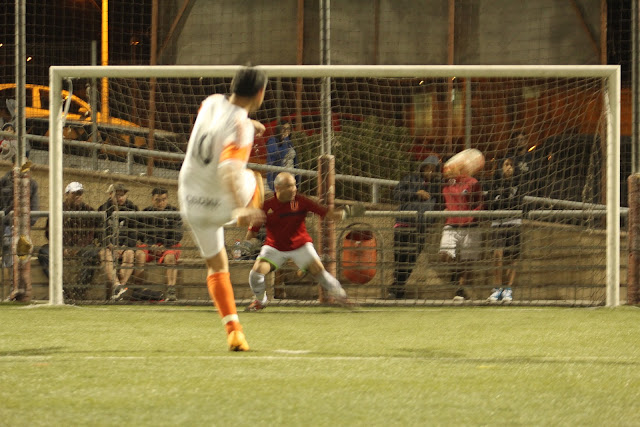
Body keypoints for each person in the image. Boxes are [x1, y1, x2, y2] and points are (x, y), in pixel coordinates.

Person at [178, 66, 268, 352]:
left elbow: (217, 127)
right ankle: (251, 221)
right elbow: (228, 168)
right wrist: (241, 208)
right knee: (255, 177)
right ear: (260, 93)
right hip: (223, 202)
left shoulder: (210, 102)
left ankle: (234, 331)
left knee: (216, 265)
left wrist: (248, 122)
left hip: (190, 200)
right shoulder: (241, 128)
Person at [244, 172, 356, 311]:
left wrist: (346, 213)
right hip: (274, 247)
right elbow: (252, 232)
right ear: (277, 188)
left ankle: (343, 298)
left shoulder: (302, 201)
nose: (294, 189)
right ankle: (260, 301)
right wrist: (246, 244)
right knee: (255, 274)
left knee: (320, 272)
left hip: (301, 245)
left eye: (294, 185)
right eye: (289, 186)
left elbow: (328, 214)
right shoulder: (266, 206)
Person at [389, 155, 442, 299]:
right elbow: (396, 194)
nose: (429, 172)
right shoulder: (410, 179)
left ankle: (397, 287)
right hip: (403, 223)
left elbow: (441, 203)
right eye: (427, 168)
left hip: (421, 227)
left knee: (411, 259)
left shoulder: (437, 185)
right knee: (400, 258)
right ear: (422, 167)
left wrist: (431, 219)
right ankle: (397, 288)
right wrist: (415, 194)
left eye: (433, 169)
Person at [38, 181, 101, 300]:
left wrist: (78, 248)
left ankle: (80, 290)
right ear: (66, 194)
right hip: (61, 246)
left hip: (81, 247)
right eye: (74, 193)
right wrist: (61, 247)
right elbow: (49, 232)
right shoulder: (57, 209)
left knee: (93, 253)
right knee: (43, 252)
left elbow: (91, 234)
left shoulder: (89, 210)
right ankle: (61, 289)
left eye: (80, 193)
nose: (78, 196)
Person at [438, 155, 484, 301]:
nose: (448, 170)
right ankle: (455, 273)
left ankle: (460, 289)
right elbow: (441, 201)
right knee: (444, 254)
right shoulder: (445, 185)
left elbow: (480, 203)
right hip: (451, 224)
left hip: (470, 226)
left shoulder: (472, 182)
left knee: (467, 260)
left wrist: (473, 215)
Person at [0, 136, 39, 301]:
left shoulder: (33, 184)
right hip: (5, 226)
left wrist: (26, 225)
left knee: (20, 254)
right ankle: (11, 290)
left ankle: (19, 291)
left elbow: (35, 208)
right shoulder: (3, 182)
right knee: (9, 248)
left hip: (22, 229)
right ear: (13, 164)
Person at [98, 183, 145, 300]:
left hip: (125, 246)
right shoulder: (103, 209)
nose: (120, 198)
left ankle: (121, 287)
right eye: (117, 195)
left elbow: (134, 233)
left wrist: (124, 247)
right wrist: (110, 246)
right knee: (104, 254)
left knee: (130, 254)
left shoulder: (133, 209)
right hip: (110, 246)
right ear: (110, 195)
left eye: (122, 195)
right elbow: (100, 233)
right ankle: (117, 286)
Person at [487, 157, 523, 302]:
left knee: (513, 256)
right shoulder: (495, 183)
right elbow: (490, 203)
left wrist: (502, 200)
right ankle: (497, 288)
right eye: (506, 164)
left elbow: (518, 202)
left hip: (514, 221)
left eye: (511, 165)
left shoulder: (519, 183)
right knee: (498, 254)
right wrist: (503, 200)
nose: (508, 167)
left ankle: (508, 289)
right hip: (498, 222)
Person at [139, 187, 183, 301]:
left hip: (168, 246)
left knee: (170, 258)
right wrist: (151, 245)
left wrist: (165, 245)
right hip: (150, 246)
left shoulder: (174, 212)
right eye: (157, 200)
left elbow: (178, 234)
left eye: (164, 199)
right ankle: (138, 290)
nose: (161, 203)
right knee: (138, 255)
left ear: (167, 199)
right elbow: (140, 233)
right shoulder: (145, 213)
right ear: (152, 199)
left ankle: (171, 291)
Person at [266, 121, 299, 191]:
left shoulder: (290, 143)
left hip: (291, 175)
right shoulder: (272, 141)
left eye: (288, 128)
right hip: (278, 176)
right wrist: (285, 141)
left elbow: (295, 161)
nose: (286, 131)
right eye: (284, 128)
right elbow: (277, 155)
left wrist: (297, 178)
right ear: (279, 129)